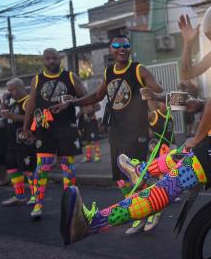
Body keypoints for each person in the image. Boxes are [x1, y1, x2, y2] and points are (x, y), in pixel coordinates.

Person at [60, 4, 211, 246]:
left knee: (170, 184)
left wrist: (196, 139)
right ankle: (142, 170)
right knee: (178, 162)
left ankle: (93, 222)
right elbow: (202, 102)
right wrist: (162, 98)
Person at [58, 35, 164, 195]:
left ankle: (147, 206)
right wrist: (73, 102)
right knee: (120, 177)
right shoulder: (108, 73)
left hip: (137, 132)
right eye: (116, 45)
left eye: (126, 45)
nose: (121, 48)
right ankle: (132, 204)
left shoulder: (138, 69)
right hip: (116, 133)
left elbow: (159, 90)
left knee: (137, 175)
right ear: (111, 50)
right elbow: (96, 96)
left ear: (129, 49)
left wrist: (161, 100)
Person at [22, 48, 86, 219]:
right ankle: (38, 204)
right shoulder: (37, 79)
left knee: (68, 166)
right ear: (43, 60)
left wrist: (74, 103)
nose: (51, 61)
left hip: (67, 127)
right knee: (42, 167)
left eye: (54, 58)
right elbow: (31, 104)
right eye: (48, 58)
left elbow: (86, 98)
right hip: (45, 128)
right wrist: (26, 127)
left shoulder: (71, 77)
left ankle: (69, 206)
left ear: (60, 59)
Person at [124, 99, 174, 236]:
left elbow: (171, 135)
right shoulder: (154, 114)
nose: (165, 105)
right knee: (131, 181)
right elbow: (141, 118)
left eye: (167, 103)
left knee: (160, 178)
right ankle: (141, 215)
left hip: (165, 151)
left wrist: (173, 146)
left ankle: (157, 206)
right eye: (163, 103)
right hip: (153, 151)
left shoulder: (170, 117)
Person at [0, 78, 37, 206]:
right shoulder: (13, 104)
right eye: (9, 90)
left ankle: (36, 195)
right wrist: (4, 101)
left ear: (21, 87)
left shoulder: (28, 102)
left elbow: (33, 119)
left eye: (13, 89)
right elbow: (4, 115)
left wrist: (13, 116)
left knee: (28, 169)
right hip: (12, 142)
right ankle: (19, 195)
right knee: (12, 168)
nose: (11, 93)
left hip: (25, 142)